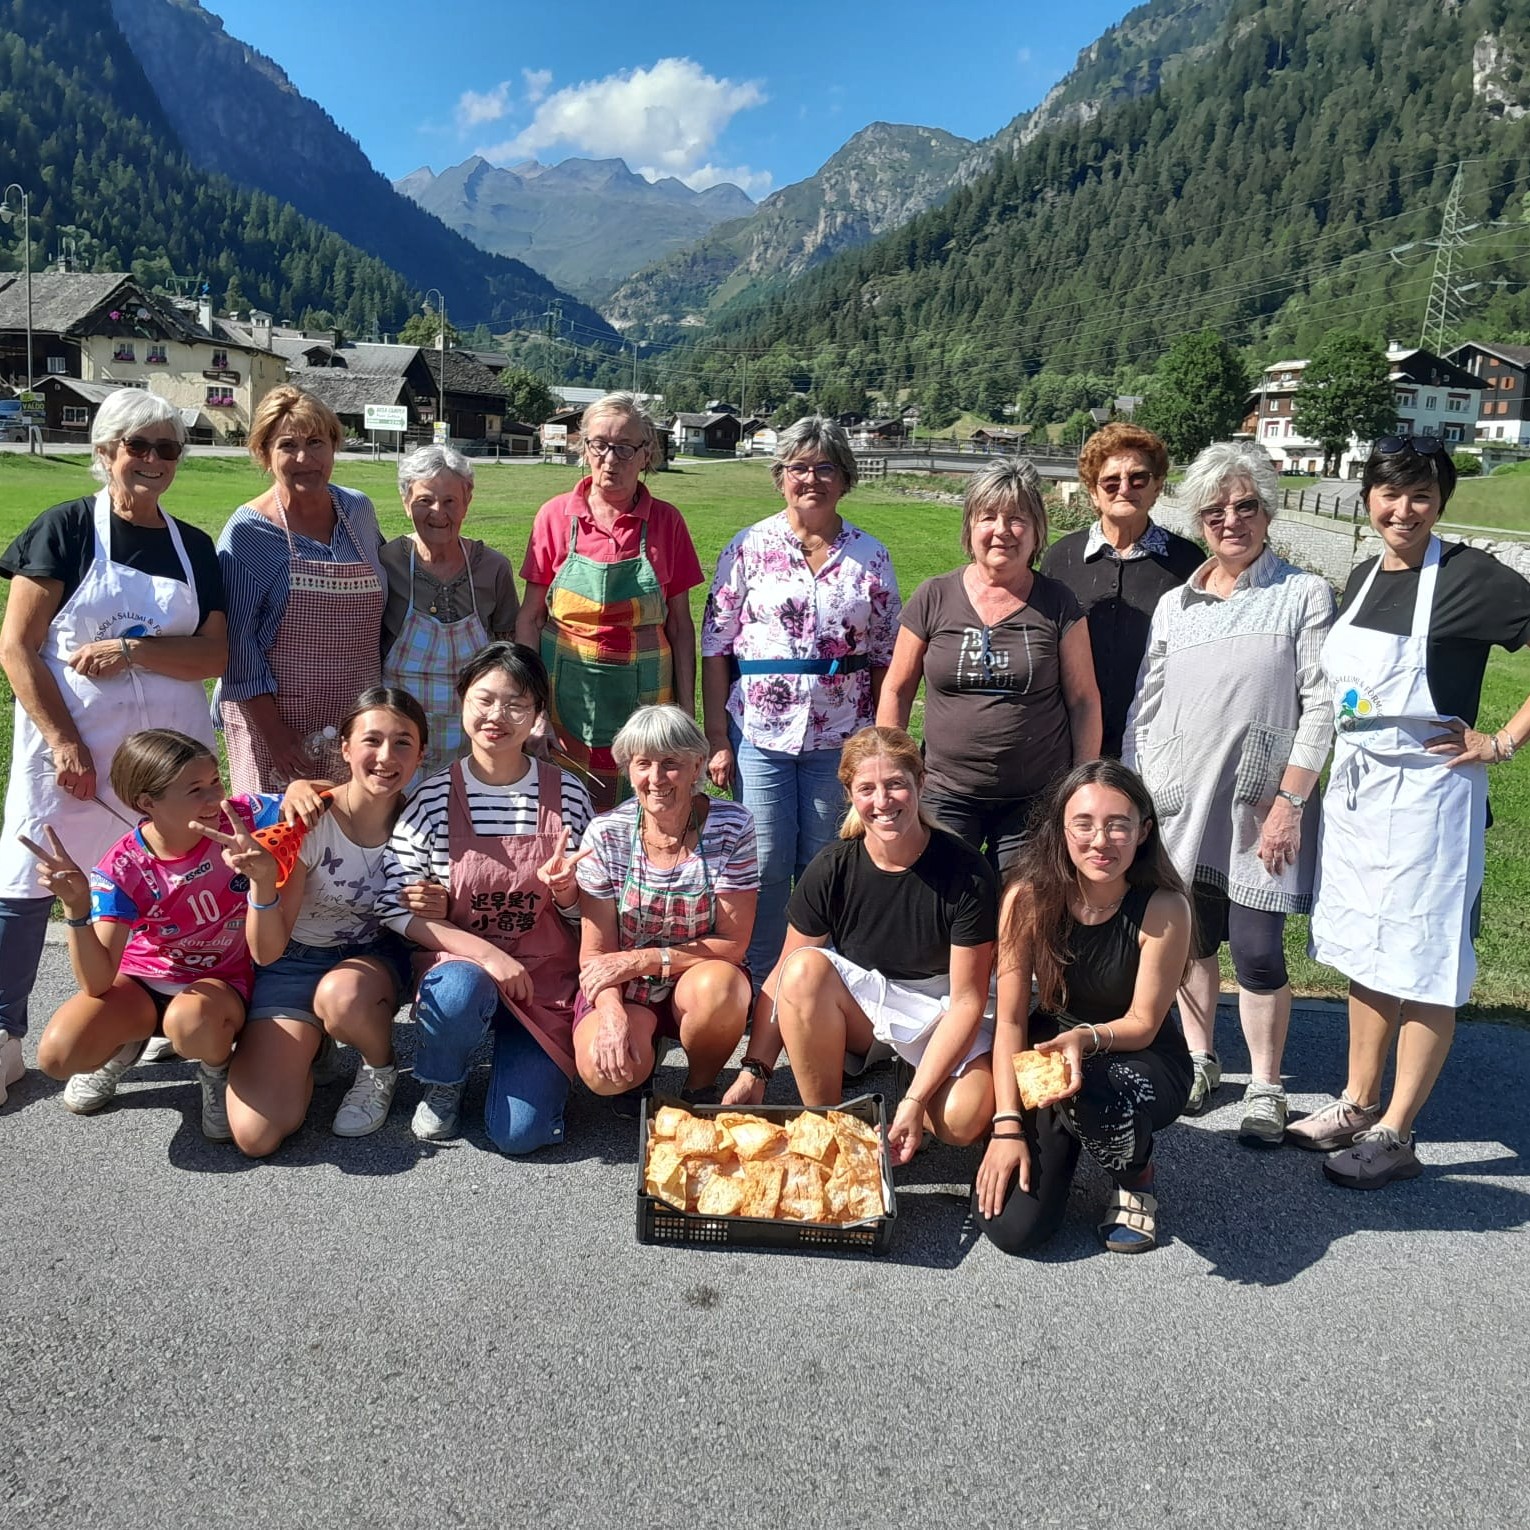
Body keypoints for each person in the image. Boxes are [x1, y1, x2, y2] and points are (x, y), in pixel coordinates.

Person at [1297, 437, 1530, 1187]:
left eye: (1422, 496)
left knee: (1426, 962)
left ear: (1442, 503)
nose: (1404, 510)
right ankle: (1358, 1103)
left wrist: (1503, 742)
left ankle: (1398, 1132)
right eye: (1391, 494)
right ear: (1368, 496)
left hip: (1432, 803)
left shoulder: (1473, 579)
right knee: (1368, 952)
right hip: (1364, 797)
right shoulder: (1365, 575)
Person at [0, 390, 226, 1110]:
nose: (154, 461)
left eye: (167, 449)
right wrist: (64, 741)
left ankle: (144, 1015)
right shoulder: (64, 529)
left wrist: (133, 650)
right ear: (105, 453)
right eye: (138, 446)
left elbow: (213, 654)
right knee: (35, 878)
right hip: (75, 752)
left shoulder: (193, 545)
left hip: (169, 762)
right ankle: (5, 1035)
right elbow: (17, 647)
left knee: (168, 884)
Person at [1123, 441, 1335, 1144]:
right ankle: (1201, 1057)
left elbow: (1320, 706)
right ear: (1199, 521)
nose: (1232, 520)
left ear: (1268, 512)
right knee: (1191, 941)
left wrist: (1291, 802)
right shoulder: (1177, 606)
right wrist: (1135, 797)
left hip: (1258, 806)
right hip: (1179, 800)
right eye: (1216, 511)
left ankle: (1268, 1086)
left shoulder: (1302, 594)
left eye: (1246, 506)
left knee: (1258, 950)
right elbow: (1145, 710)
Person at [720, 727, 996, 1167]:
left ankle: (909, 1099)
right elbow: (781, 976)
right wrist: (755, 1069)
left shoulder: (968, 871)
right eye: (867, 788)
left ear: (920, 784)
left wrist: (916, 1102)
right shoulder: (833, 867)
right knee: (802, 970)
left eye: (896, 785)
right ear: (849, 794)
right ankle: (830, 1127)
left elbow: (967, 1001)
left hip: (942, 1007)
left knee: (963, 1120)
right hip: (868, 1009)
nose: (883, 801)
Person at [701, 416, 902, 988]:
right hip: (759, 734)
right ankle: (760, 979)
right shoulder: (747, 546)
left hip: (840, 737)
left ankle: (818, 983)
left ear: (844, 478)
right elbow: (716, 645)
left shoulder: (872, 556)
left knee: (826, 863)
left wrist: (880, 743)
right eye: (798, 468)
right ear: (780, 477)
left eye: (824, 468)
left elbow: (888, 655)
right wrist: (718, 737)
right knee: (762, 865)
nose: (810, 479)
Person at [26, 729, 304, 1139]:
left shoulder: (242, 816)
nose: (215, 799)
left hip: (219, 984)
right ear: (147, 802)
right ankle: (127, 1045)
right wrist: (77, 908)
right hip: (140, 983)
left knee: (190, 1021)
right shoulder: (122, 866)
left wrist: (299, 787)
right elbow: (98, 982)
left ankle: (214, 1069)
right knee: (57, 1054)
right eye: (196, 790)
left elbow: (314, 799)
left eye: (216, 782)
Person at [377, 643, 594, 1152]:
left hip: (543, 983)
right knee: (457, 990)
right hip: (461, 970)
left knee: (522, 1136)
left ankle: (527, 1069)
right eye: (485, 700)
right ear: (462, 701)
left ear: (538, 715)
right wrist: (486, 953)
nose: (498, 716)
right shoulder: (431, 798)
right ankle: (444, 1079)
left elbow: (593, 910)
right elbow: (393, 904)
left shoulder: (569, 796)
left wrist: (567, 895)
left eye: (517, 704)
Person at [973, 760, 1194, 1255]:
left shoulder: (1164, 906)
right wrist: (1007, 1124)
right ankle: (1069, 1130)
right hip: (1051, 1051)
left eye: (1119, 824)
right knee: (1015, 1230)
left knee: (1095, 1080)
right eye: (1085, 824)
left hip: (1137, 1057)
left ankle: (1135, 1173)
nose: (1101, 840)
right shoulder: (1026, 899)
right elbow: (1009, 1019)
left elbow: (1141, 1022)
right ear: (1061, 829)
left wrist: (1085, 1039)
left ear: (1144, 832)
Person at [215, 689, 438, 1156]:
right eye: (371, 740)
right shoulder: (309, 820)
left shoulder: (425, 820)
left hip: (369, 963)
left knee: (341, 997)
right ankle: (312, 1047)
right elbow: (267, 953)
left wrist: (438, 902)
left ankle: (379, 1066)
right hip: (292, 961)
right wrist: (262, 887)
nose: (385, 757)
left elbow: (449, 899)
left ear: (422, 752)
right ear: (345, 748)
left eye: (403, 743)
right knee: (257, 1137)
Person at [878, 458, 1100, 869]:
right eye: (988, 517)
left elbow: (1084, 700)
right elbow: (897, 688)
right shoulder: (934, 596)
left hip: (1033, 798)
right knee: (942, 905)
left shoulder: (1058, 602)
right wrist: (890, 772)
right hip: (945, 792)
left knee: (1022, 912)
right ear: (970, 528)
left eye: (1017, 518)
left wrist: (1081, 785)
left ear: (1036, 532)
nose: (1002, 530)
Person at [515, 392, 703, 811]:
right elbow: (529, 620)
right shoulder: (554, 516)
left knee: (643, 809)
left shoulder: (667, 522)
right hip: (563, 694)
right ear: (584, 447)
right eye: (599, 444)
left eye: (624, 447)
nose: (610, 458)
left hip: (646, 695)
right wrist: (534, 710)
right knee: (561, 811)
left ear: (646, 453)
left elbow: (680, 627)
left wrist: (687, 715)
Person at [573, 705, 757, 1112]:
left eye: (670, 763)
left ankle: (699, 1087)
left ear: (697, 767)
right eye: (643, 764)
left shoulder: (733, 825)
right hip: (624, 983)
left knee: (721, 990)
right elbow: (595, 954)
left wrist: (642, 959)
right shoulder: (606, 833)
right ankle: (642, 1056)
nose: (655, 779)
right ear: (628, 769)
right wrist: (612, 1015)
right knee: (604, 1075)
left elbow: (732, 943)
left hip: (695, 973)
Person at [217, 386, 386, 792]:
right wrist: (276, 737)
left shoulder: (358, 510)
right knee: (279, 843)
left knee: (349, 838)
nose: (304, 459)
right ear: (263, 453)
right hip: (277, 727)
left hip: (355, 720)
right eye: (287, 445)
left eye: (316, 443)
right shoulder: (248, 533)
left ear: (334, 446)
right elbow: (237, 646)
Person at [1039, 423, 1202, 757]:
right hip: (1069, 740)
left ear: (1157, 487)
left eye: (1138, 478)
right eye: (1110, 482)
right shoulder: (1063, 557)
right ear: (1093, 494)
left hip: (1158, 741)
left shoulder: (1187, 563)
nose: (1124, 489)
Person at [380, 446, 518, 780]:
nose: (438, 513)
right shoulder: (386, 562)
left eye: (450, 501)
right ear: (405, 501)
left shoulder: (493, 568)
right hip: (399, 739)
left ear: (467, 500)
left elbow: (509, 652)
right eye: (425, 500)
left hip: (472, 739)